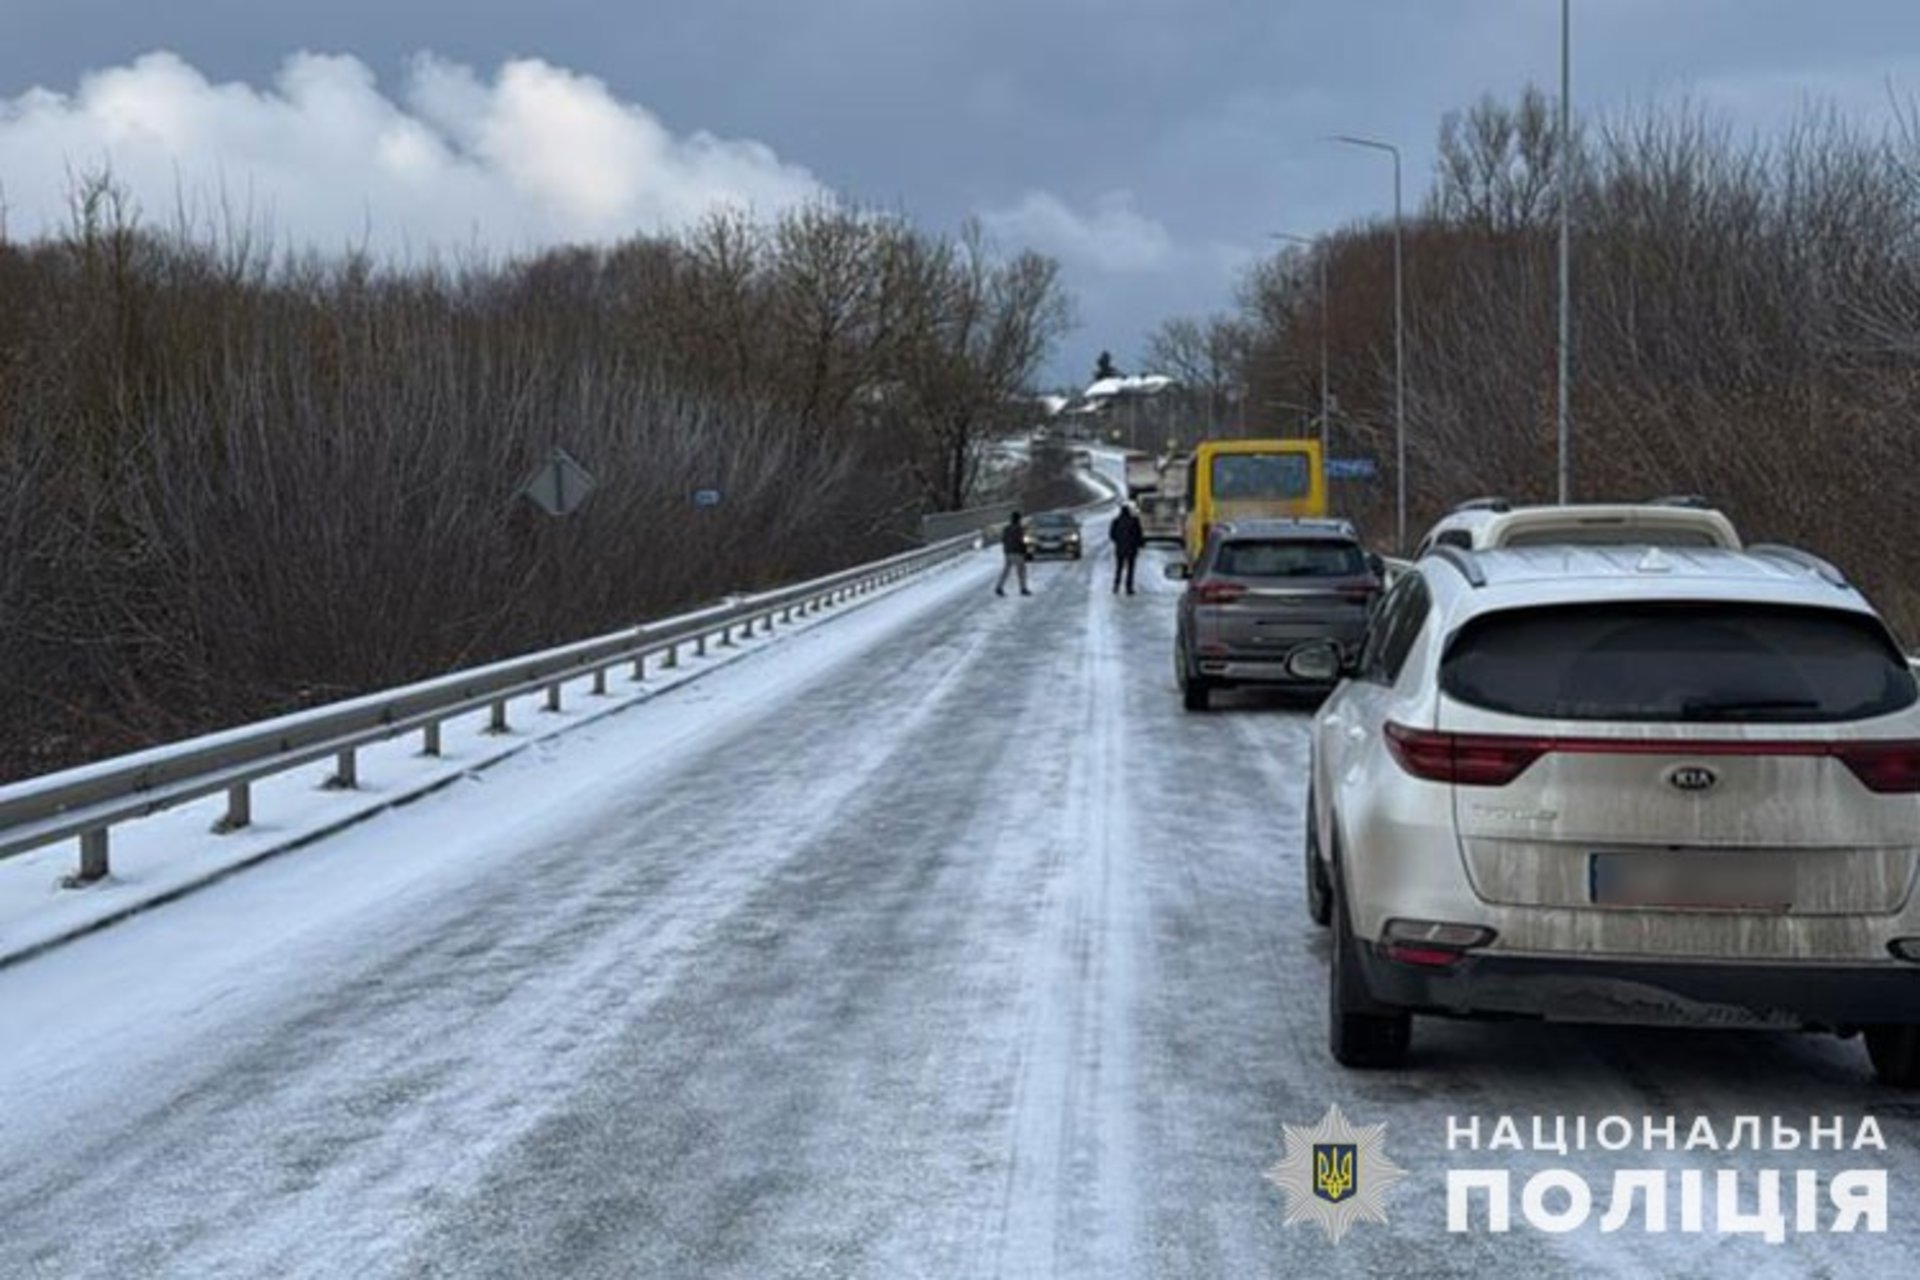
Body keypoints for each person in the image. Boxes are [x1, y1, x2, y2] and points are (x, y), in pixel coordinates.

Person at [1109, 502, 1144, 594]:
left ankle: (1116, 586)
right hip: (1132, 549)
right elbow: (1139, 534)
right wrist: (1139, 544)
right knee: (1130, 569)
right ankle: (1129, 588)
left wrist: (1118, 541)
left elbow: (1112, 535)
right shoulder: (1134, 521)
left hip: (1120, 549)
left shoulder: (1116, 521)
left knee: (1119, 568)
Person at [996, 511, 1032, 596]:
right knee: (1021, 571)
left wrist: (1006, 550)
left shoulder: (1006, 529)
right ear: (1018, 519)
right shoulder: (1019, 529)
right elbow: (1022, 541)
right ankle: (1023, 588)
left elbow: (1003, 540)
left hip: (1008, 552)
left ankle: (999, 587)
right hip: (1018, 552)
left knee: (1006, 571)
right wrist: (1026, 552)